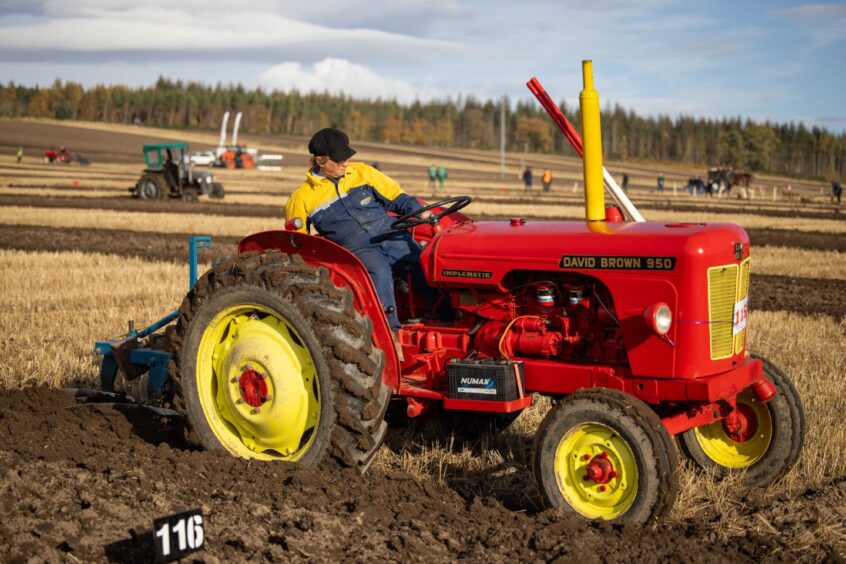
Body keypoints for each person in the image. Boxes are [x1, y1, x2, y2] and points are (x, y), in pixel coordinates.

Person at [285, 128, 427, 333]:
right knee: (378, 271)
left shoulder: (363, 172)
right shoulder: (301, 198)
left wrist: (419, 212)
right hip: (357, 248)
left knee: (421, 263)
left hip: (389, 232)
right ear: (320, 161)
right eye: (338, 160)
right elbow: (301, 246)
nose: (345, 163)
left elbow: (396, 197)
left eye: (346, 158)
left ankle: (446, 316)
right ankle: (390, 332)